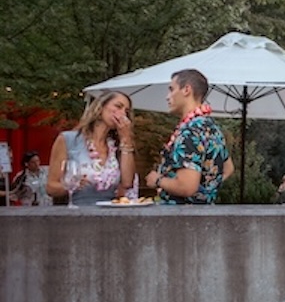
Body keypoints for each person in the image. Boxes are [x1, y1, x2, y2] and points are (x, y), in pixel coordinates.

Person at [145, 69, 234, 204]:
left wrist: (158, 180)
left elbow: (187, 187)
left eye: (171, 89)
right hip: (205, 211)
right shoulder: (212, 128)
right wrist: (205, 190)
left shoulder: (189, 132)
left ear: (186, 90)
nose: (167, 97)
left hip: (180, 213)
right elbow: (228, 168)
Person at [46, 91, 137, 205]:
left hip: (109, 211)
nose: (123, 114)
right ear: (100, 108)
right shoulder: (69, 139)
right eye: (118, 106)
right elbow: (51, 187)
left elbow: (127, 183)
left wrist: (126, 139)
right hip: (77, 210)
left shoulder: (118, 146)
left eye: (126, 112)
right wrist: (71, 186)